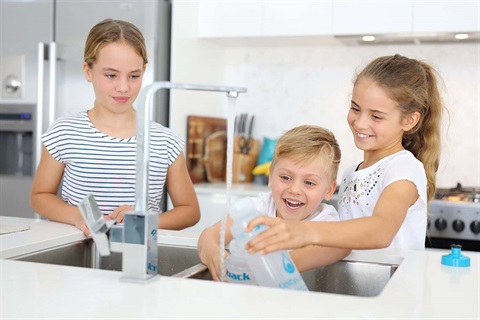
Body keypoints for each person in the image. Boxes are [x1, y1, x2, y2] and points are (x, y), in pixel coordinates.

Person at [245, 54, 443, 253]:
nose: (360, 123)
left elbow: (381, 230)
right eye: (355, 108)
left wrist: (306, 231)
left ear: (409, 120)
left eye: (376, 116)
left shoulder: (403, 168)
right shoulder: (351, 174)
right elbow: (340, 248)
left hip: (396, 284)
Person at [30, 19, 200, 236]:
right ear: (88, 71)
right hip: (76, 250)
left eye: (134, 76)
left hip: (141, 256)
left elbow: (190, 211)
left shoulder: (165, 142)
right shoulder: (64, 132)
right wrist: (75, 215)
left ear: (143, 71)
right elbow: (40, 196)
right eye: (111, 75)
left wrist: (147, 221)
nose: (123, 87)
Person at [197, 125, 351, 281]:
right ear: (270, 176)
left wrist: (275, 268)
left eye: (309, 183)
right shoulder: (259, 207)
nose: (295, 190)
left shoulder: (325, 220)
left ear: (329, 190)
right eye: (285, 178)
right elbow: (210, 235)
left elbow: (340, 247)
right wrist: (216, 255)